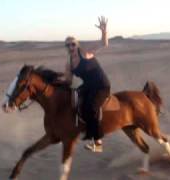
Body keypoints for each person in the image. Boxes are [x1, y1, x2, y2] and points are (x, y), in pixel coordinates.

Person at [64, 16, 110, 152]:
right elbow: (68, 81)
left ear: (77, 45)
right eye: (68, 45)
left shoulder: (85, 52)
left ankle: (98, 143)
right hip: (88, 86)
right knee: (74, 100)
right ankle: (78, 130)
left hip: (101, 85)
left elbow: (104, 44)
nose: (71, 47)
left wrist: (104, 31)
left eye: (73, 44)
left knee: (91, 108)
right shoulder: (69, 63)